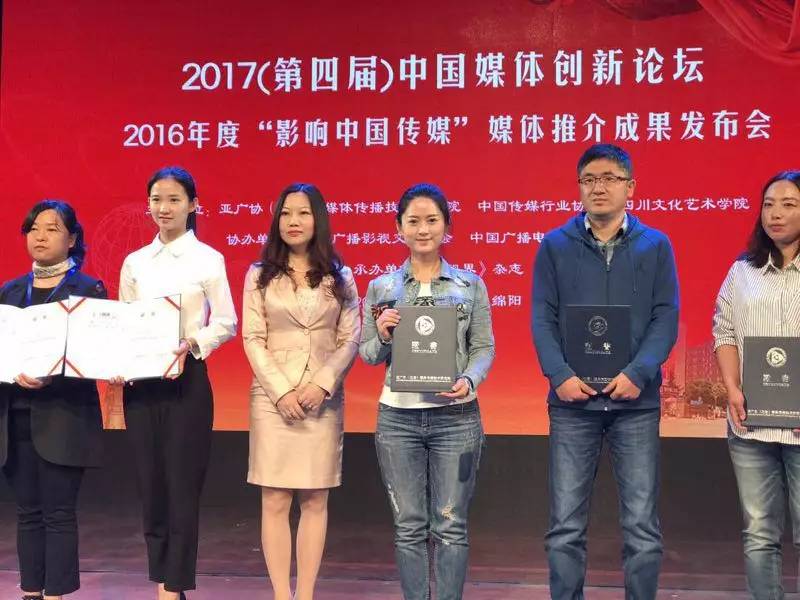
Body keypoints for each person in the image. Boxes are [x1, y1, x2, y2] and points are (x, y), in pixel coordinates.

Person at [531, 143, 679, 600]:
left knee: (641, 527)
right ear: (578, 187)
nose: (599, 187)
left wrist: (639, 372)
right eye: (589, 179)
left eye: (610, 178)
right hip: (572, 405)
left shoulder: (656, 245)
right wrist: (559, 375)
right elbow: (541, 316)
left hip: (636, 404)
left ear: (631, 188)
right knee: (565, 527)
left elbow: (666, 316)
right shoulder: (555, 245)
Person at [359, 183, 494, 600]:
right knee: (409, 526)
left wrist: (468, 380)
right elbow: (367, 354)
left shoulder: (470, 285)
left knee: (450, 525)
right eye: (413, 221)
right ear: (398, 228)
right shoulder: (382, 288)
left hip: (457, 418)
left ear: (446, 226)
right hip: (397, 419)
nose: (423, 229)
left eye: (432, 220)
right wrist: (383, 335)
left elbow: (483, 348)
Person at [118, 166, 237, 600]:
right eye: (156, 200)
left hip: (188, 380)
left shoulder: (207, 259)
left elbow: (226, 321)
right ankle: (161, 578)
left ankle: (175, 585)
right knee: (151, 485)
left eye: (173, 199)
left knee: (183, 486)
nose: (164, 208)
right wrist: (119, 358)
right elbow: (126, 322)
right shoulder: (135, 262)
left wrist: (194, 342)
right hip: (142, 384)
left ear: (193, 205)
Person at [242, 183, 360, 600]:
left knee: (314, 499)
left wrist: (320, 384)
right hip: (273, 399)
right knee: (274, 499)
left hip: (321, 402)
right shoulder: (259, 274)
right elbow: (253, 338)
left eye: (303, 213)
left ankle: (305, 594)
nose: (293, 221)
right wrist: (281, 392)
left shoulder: (340, 276)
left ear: (318, 220)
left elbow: (350, 338)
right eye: (286, 213)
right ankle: (281, 594)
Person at [0, 200, 106, 600]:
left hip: (65, 415)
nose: (40, 236)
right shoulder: (9, 291)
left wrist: (51, 374)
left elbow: (95, 354)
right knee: (27, 512)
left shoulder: (88, 291)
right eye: (33, 229)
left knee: (59, 513)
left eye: (52, 228)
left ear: (72, 238)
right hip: (14, 416)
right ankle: (31, 591)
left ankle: (55, 594)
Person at [713, 170, 800, 600]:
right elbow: (724, 331)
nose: (775, 214)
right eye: (768, 204)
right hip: (751, 427)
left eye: (789, 204)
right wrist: (732, 388)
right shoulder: (742, 271)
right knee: (759, 533)